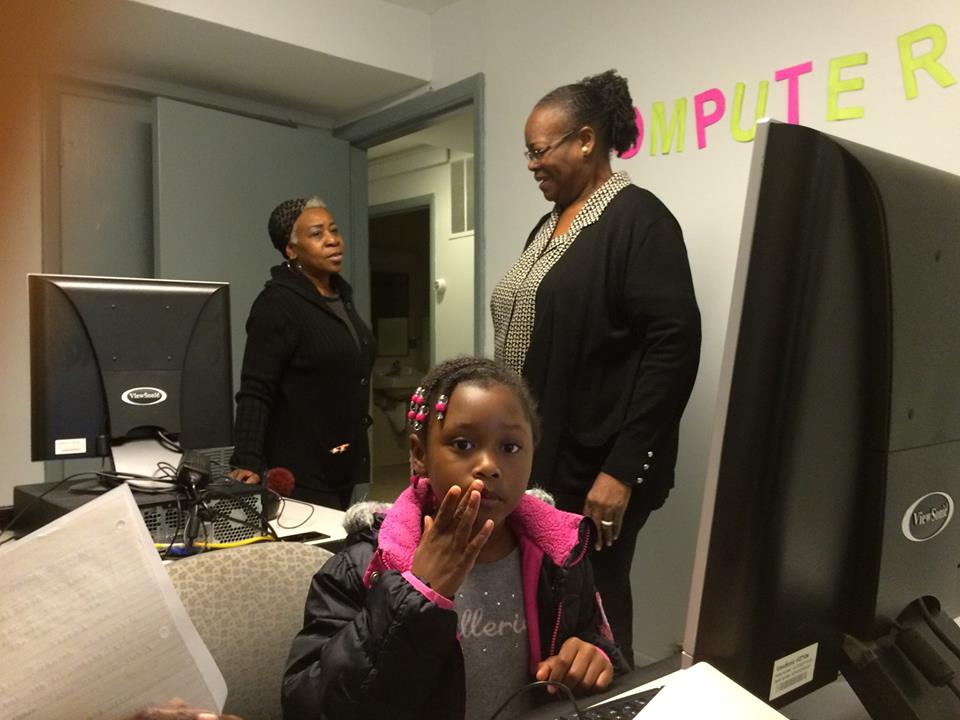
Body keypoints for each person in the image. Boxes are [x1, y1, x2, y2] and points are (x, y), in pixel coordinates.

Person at [281, 357, 628, 720]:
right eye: (463, 444)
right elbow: (307, 705)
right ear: (420, 454)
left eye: (510, 447)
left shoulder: (560, 558)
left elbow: (602, 650)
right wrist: (414, 594)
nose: (488, 466)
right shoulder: (366, 566)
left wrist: (595, 658)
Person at [491, 70, 701, 666]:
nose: (532, 165)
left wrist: (622, 470)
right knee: (551, 601)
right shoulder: (549, 225)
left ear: (585, 140)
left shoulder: (640, 220)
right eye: (527, 153)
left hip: (596, 468)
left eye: (539, 150)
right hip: (543, 459)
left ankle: (617, 699)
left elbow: (674, 347)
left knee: (597, 607)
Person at [229, 197, 376, 510]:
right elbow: (256, 390)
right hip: (300, 471)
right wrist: (247, 460)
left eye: (334, 230)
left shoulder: (341, 298)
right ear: (291, 250)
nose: (332, 240)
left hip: (342, 462)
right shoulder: (277, 304)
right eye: (317, 234)